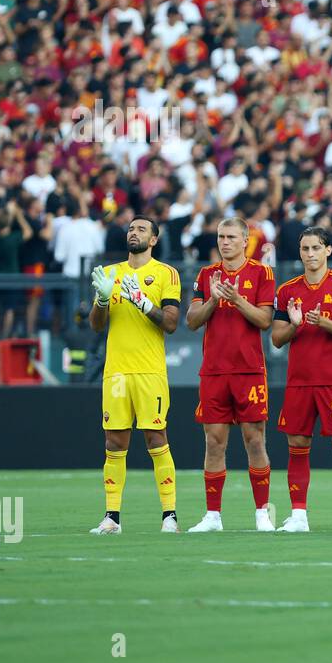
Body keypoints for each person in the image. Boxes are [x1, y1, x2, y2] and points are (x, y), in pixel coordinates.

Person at [87, 215, 182, 534]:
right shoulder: (110, 274)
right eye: (130, 228)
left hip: (149, 371)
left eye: (141, 229)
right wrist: (101, 299)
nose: (133, 232)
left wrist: (143, 304)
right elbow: (97, 325)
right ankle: (111, 517)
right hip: (116, 371)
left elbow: (170, 323)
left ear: (153, 239)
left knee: (156, 437)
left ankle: (169, 515)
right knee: (113, 442)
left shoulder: (166, 274)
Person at [185, 217, 277, 533]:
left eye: (231, 237)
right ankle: (212, 515)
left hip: (249, 370)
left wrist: (236, 300)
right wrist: (213, 299)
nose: (224, 242)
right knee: (214, 441)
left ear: (244, 240)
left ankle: (262, 512)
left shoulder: (261, 272)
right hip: (214, 371)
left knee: (254, 439)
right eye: (221, 237)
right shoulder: (206, 274)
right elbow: (192, 320)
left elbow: (265, 319)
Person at [271, 227, 332, 532]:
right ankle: (298, 516)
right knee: (297, 444)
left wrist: (323, 322)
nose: (309, 254)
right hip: (299, 381)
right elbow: (275, 339)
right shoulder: (287, 290)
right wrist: (296, 325)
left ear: (328, 251)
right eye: (304, 249)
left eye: (315, 248)